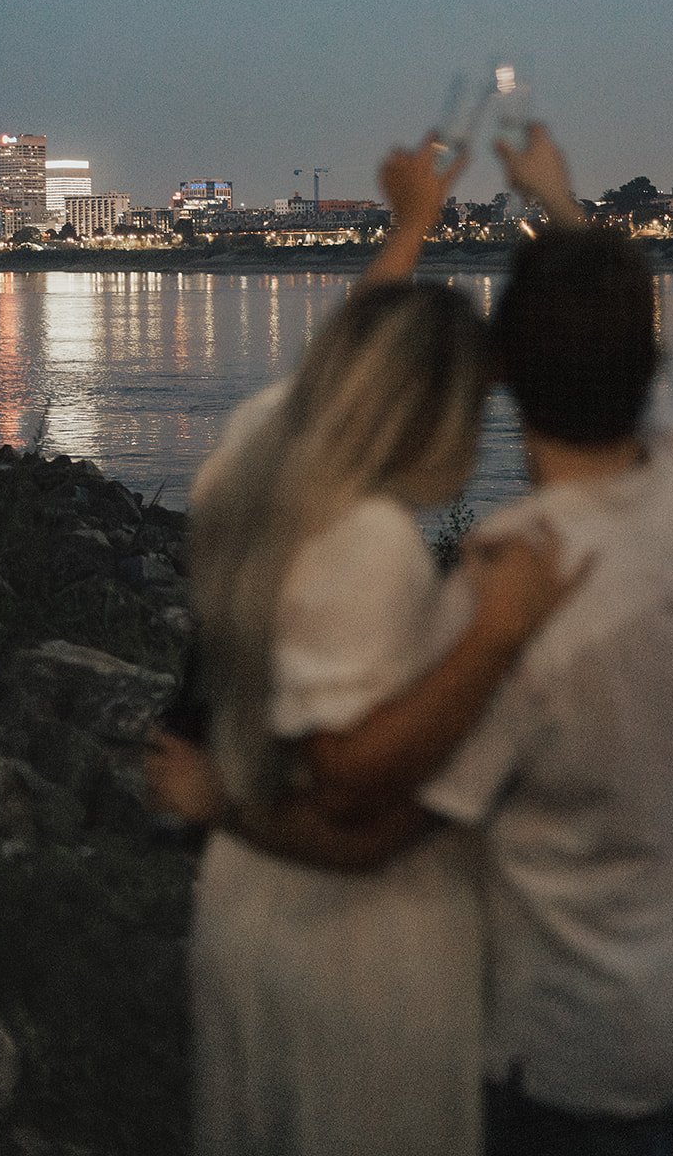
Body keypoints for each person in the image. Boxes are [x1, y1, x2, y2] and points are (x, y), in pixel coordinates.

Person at [151, 125, 673, 1155]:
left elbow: (368, 812)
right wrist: (558, 205)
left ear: (509, 371)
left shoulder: (497, 585)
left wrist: (222, 808)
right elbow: (624, 363)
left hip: (571, 1045)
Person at [146, 138, 582, 1156]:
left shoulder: (254, 465)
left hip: (243, 913)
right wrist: (495, 634)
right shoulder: (373, 541)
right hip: (359, 943)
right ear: (429, 413)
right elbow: (354, 793)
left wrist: (411, 227)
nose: (481, 437)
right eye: (473, 408)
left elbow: (330, 376)